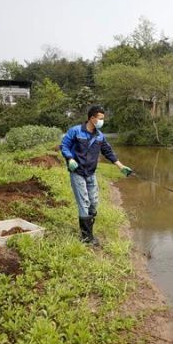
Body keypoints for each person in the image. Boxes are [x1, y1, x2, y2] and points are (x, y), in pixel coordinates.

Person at [60, 105, 132, 245]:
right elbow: (64, 146)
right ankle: (87, 237)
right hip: (77, 172)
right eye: (100, 119)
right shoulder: (75, 131)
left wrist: (121, 166)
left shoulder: (99, 136)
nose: (102, 121)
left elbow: (108, 151)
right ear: (92, 118)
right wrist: (70, 159)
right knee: (84, 202)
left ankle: (89, 233)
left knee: (94, 202)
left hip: (91, 173)